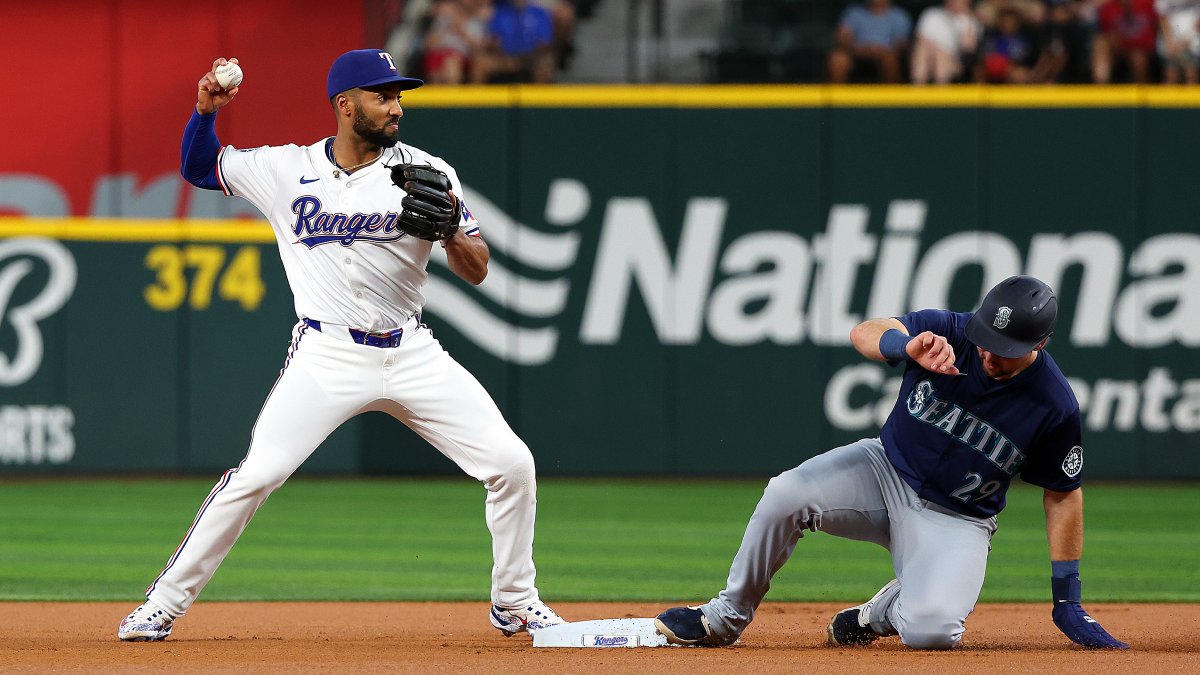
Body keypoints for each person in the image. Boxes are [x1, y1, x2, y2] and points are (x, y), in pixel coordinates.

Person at [117, 50, 563, 642]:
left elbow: (477, 269)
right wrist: (204, 112)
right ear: (345, 105)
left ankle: (515, 601)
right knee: (257, 475)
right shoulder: (286, 170)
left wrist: (454, 224)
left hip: (411, 352)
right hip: (327, 356)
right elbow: (200, 167)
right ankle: (163, 603)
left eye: (399, 96)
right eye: (384, 96)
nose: (397, 107)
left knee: (512, 465)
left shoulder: (430, 171)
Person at [654, 276, 1128, 651]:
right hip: (882, 472)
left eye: (1003, 349)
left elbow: (1063, 495)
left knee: (933, 631)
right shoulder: (950, 330)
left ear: (1039, 346)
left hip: (958, 517)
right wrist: (905, 346)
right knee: (785, 493)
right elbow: (865, 331)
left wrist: (1068, 597)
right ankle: (722, 619)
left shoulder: (1054, 403)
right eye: (986, 338)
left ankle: (876, 614)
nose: (987, 352)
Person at [827, 0, 914, 83]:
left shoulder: (899, 16)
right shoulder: (854, 13)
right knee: (837, 59)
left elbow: (902, 44)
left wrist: (881, 51)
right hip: (856, 55)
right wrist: (860, 50)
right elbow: (842, 37)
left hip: (886, 55)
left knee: (890, 60)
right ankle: (837, 97)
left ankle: (891, 97)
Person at [475, 0, 556, 83]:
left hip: (530, 59)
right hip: (503, 57)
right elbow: (494, 39)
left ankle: (540, 95)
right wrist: (506, 57)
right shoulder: (499, 12)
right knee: (481, 62)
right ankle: (476, 95)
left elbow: (545, 42)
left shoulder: (540, 13)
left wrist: (523, 57)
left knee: (545, 63)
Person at [911, 0, 982, 84]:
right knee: (922, 51)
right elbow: (921, 40)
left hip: (955, 63)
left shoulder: (970, 21)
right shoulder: (931, 14)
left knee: (940, 60)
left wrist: (969, 25)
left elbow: (968, 50)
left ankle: (941, 94)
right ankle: (918, 88)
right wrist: (938, 51)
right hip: (928, 56)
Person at [1093, 0, 1159, 83]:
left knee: (1138, 57)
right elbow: (1108, 34)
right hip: (1118, 47)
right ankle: (1101, 87)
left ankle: (1142, 90)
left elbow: (1152, 31)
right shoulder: (1108, 8)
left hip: (1141, 48)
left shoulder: (1147, 4)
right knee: (1101, 43)